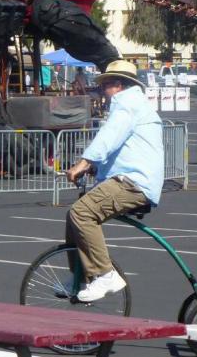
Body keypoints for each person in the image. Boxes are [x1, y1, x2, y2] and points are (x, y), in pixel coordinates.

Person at [64, 59, 163, 302]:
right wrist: (95, 168)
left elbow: (108, 139)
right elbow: (121, 148)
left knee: (82, 213)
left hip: (133, 182)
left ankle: (104, 274)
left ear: (117, 85)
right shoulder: (131, 105)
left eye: (104, 85)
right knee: (74, 215)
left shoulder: (127, 105)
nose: (101, 90)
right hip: (126, 178)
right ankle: (80, 275)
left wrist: (84, 163)